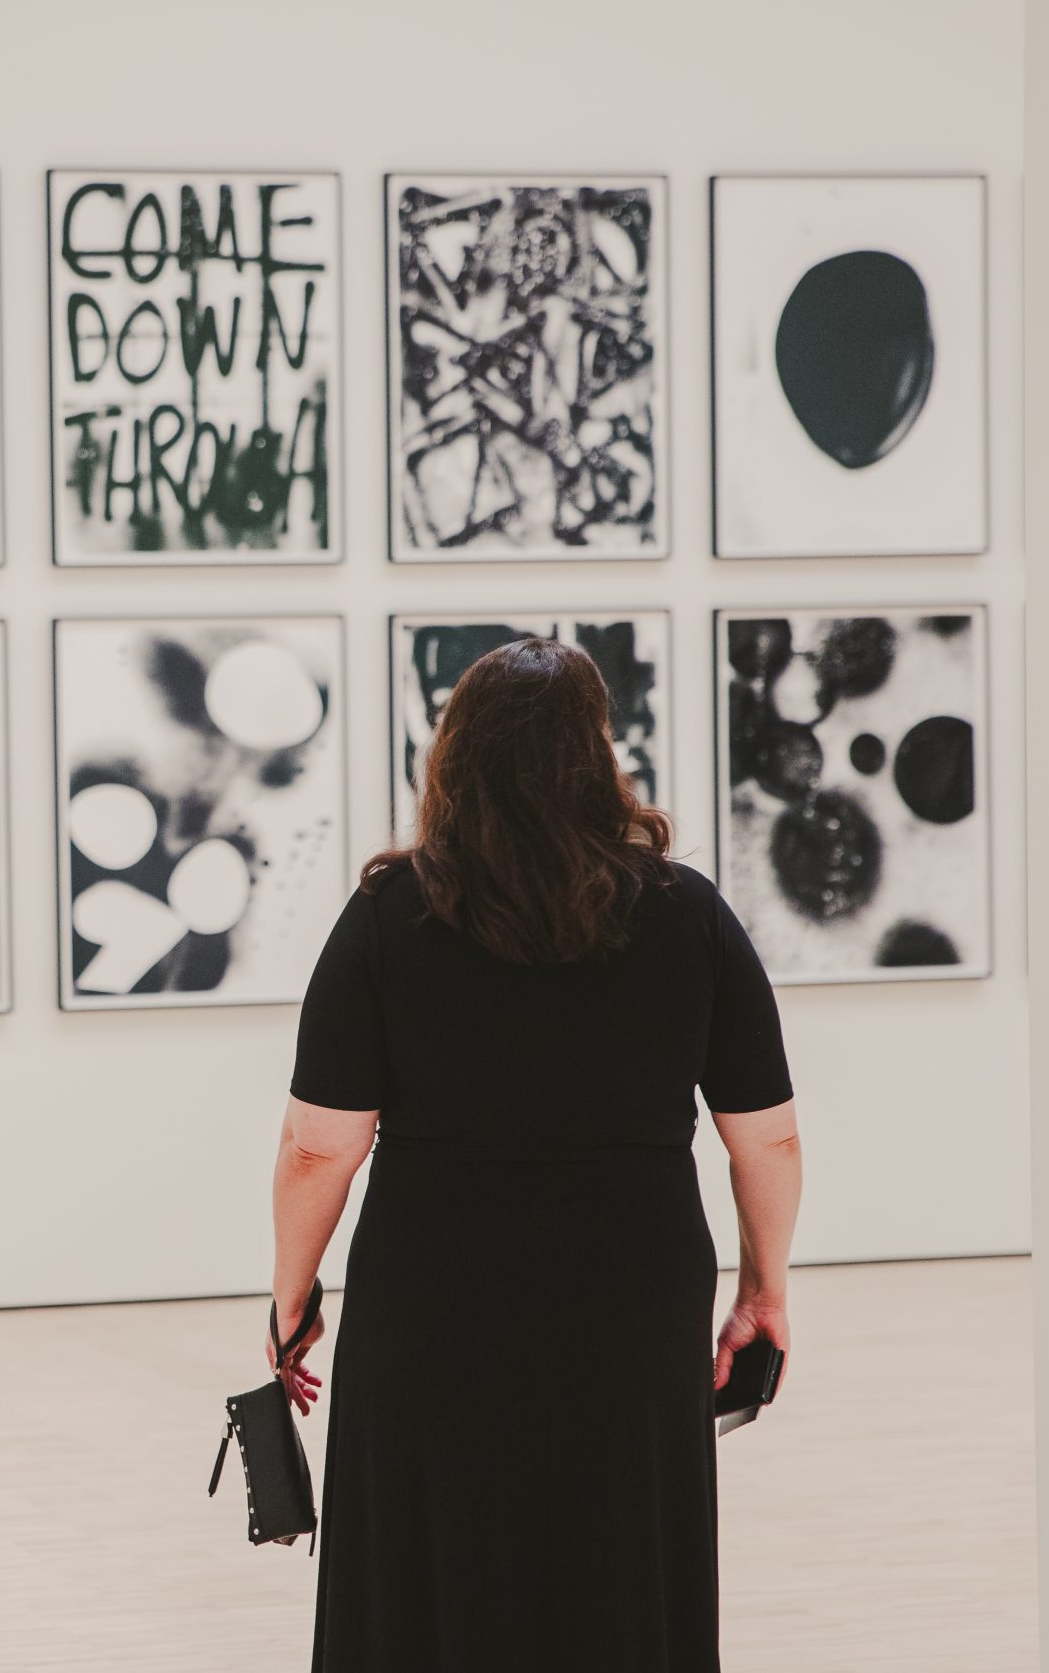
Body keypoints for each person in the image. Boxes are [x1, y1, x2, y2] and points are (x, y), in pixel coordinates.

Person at [268, 636, 802, 1673]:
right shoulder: (685, 911)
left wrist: (293, 1297)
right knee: (621, 1537)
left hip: (432, 1286)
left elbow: (316, 1150)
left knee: (429, 1543)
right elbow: (767, 1136)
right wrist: (762, 1288)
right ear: (598, 753)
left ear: (453, 756)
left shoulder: (388, 914)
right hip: (631, 1283)